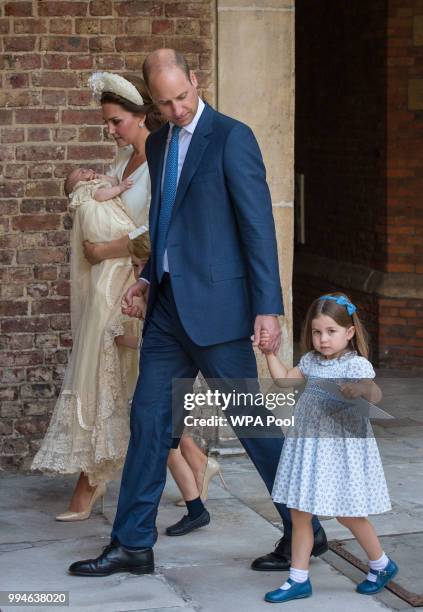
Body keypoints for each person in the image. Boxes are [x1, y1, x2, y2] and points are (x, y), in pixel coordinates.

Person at [68, 48, 327, 577]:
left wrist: (268, 308)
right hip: (165, 308)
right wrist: (144, 278)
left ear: (195, 79)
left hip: (221, 310)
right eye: (164, 103)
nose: (177, 109)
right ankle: (132, 544)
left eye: (182, 97)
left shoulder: (233, 137)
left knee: (250, 423)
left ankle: (308, 530)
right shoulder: (160, 142)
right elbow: (164, 220)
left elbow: (258, 226)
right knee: (147, 420)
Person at [31, 72, 158, 519]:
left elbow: (160, 230)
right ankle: (197, 469)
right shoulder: (123, 157)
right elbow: (100, 202)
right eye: (107, 122)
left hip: (135, 283)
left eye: (116, 121)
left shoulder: (161, 163)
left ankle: (89, 485)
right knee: (124, 379)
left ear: (142, 117)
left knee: (109, 373)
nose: (110, 131)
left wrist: (105, 247)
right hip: (108, 281)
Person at [261, 293, 397, 604]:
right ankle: (298, 579)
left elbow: (373, 393)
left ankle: (382, 565)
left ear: (349, 333)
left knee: (348, 515)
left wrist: (358, 389)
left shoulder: (355, 364)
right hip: (309, 447)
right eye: (317, 332)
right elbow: (283, 381)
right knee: (299, 512)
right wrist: (269, 353)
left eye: (331, 332)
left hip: (340, 451)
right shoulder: (310, 361)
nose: (323, 339)